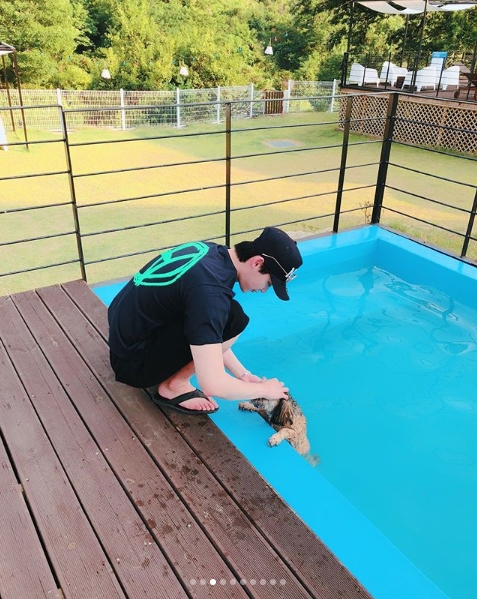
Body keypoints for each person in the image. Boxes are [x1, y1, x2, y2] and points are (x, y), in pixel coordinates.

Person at [107, 226, 303, 414]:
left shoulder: (211, 252)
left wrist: (243, 375)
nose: (263, 290)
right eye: (268, 283)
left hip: (124, 342)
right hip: (133, 365)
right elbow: (213, 384)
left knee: (231, 315)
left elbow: (209, 331)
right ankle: (175, 385)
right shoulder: (211, 292)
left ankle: (173, 379)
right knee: (235, 319)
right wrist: (265, 390)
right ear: (257, 262)